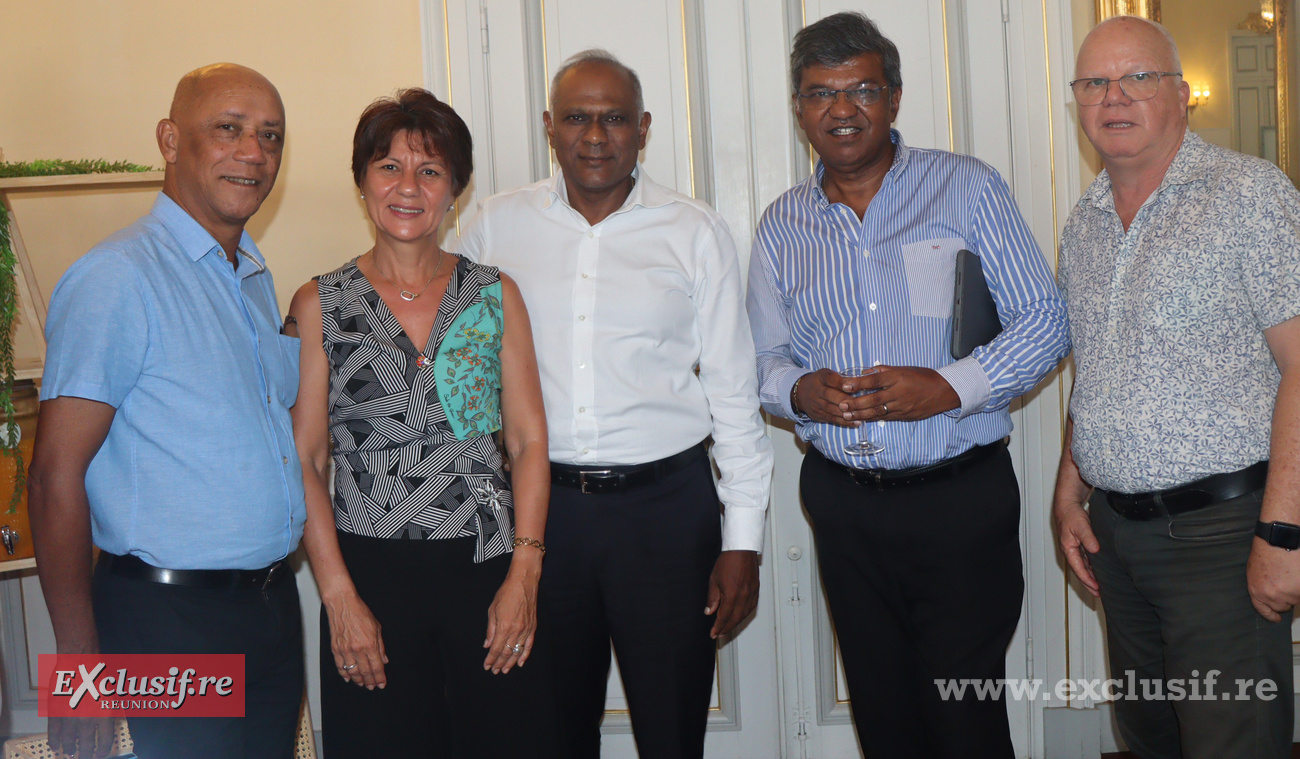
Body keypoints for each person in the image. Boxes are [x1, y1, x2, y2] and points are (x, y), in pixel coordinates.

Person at [747, 12, 1069, 758]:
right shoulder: (782, 226)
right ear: (800, 110)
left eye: (861, 88)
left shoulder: (966, 188)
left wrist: (950, 386)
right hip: (846, 506)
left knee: (964, 715)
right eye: (820, 93)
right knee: (885, 715)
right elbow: (759, 358)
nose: (841, 108)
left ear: (893, 97)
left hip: (961, 499)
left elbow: (1046, 320)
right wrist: (799, 391)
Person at [456, 50, 774, 759]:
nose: (594, 135)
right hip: (543, 515)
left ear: (643, 128)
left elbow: (732, 389)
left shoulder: (693, 230)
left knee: (671, 726)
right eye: (576, 117)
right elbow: (462, 382)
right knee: (551, 729)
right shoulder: (492, 228)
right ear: (549, 126)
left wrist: (742, 539)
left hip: (667, 513)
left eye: (614, 119)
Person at [28, 63, 304, 759]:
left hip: (270, 606)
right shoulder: (118, 276)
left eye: (270, 136)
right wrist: (78, 673)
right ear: (171, 140)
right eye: (228, 129)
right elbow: (54, 475)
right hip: (171, 618)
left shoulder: (251, 278)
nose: (253, 152)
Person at [1053, 16, 1300, 758]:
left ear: (1182, 94)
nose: (1114, 96)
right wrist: (1070, 487)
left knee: (1232, 739)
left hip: (1222, 537)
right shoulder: (1084, 221)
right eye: (1094, 82)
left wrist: (1283, 534)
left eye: (1138, 77)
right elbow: (1097, 367)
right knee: (1149, 734)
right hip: (1118, 540)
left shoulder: (1249, 194)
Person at [287, 88, 558, 758]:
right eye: (388, 167)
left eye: (430, 171)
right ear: (362, 182)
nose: (408, 187)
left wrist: (524, 578)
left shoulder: (495, 295)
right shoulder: (319, 303)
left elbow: (526, 443)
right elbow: (306, 458)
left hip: (486, 570)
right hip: (370, 580)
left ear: (455, 190)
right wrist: (338, 598)